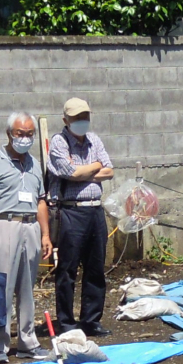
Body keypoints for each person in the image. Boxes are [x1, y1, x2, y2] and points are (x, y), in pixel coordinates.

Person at [0, 111, 53, 364]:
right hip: (4, 224)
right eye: (20, 133)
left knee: (27, 288)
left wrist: (45, 235)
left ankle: (28, 343)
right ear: (10, 134)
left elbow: (41, 201)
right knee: (3, 287)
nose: (25, 138)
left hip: (30, 226)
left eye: (30, 134)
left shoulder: (34, 165)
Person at [47, 94, 113, 336]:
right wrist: (94, 167)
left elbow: (110, 170)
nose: (81, 121)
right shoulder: (59, 142)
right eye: (76, 118)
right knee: (67, 269)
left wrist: (84, 172)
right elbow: (69, 172)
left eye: (85, 116)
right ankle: (66, 322)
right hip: (71, 210)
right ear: (66, 119)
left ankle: (91, 319)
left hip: (95, 209)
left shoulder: (94, 139)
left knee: (95, 267)